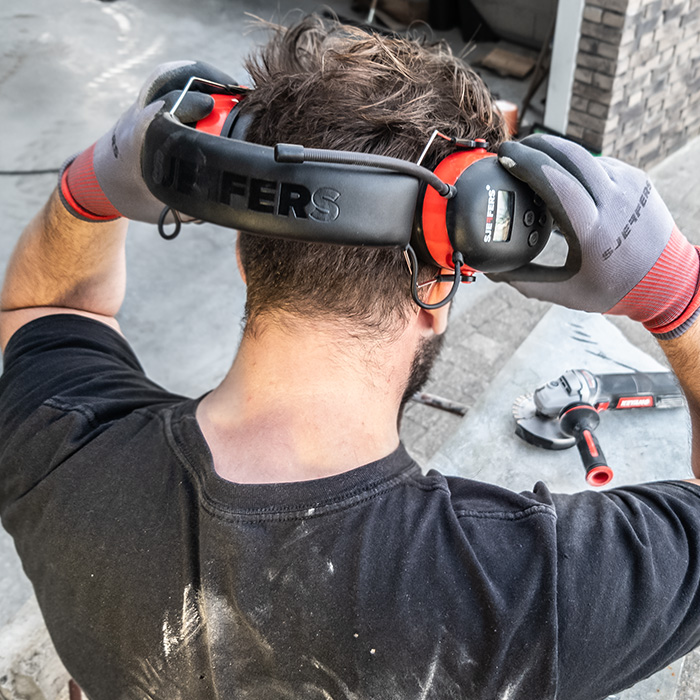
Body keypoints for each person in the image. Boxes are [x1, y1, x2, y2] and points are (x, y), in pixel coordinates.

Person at [1, 14, 699, 700]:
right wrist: (677, 296)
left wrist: (90, 188)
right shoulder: (529, 594)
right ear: (437, 288)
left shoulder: (57, 445)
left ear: (244, 251)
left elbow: (43, 308)